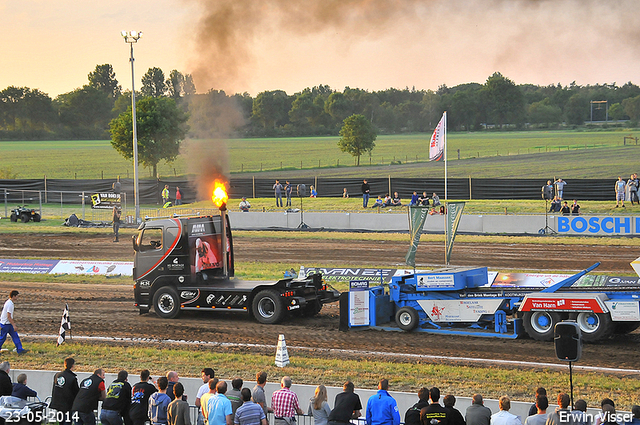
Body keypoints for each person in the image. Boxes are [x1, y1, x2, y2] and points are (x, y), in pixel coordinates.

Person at [50, 357, 80, 425]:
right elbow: (76, 392)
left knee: (61, 422)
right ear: (73, 365)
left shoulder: (57, 375)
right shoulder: (72, 378)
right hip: (67, 405)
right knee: (67, 421)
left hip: (58, 404)